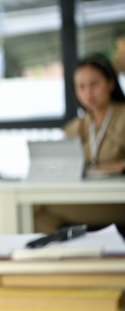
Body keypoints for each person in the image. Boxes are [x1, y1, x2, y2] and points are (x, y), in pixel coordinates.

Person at [34, 53, 125, 234]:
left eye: (94, 84)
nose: (87, 92)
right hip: (86, 195)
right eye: (81, 86)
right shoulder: (76, 127)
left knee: (36, 207)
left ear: (111, 83)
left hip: (116, 199)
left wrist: (119, 166)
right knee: (35, 209)